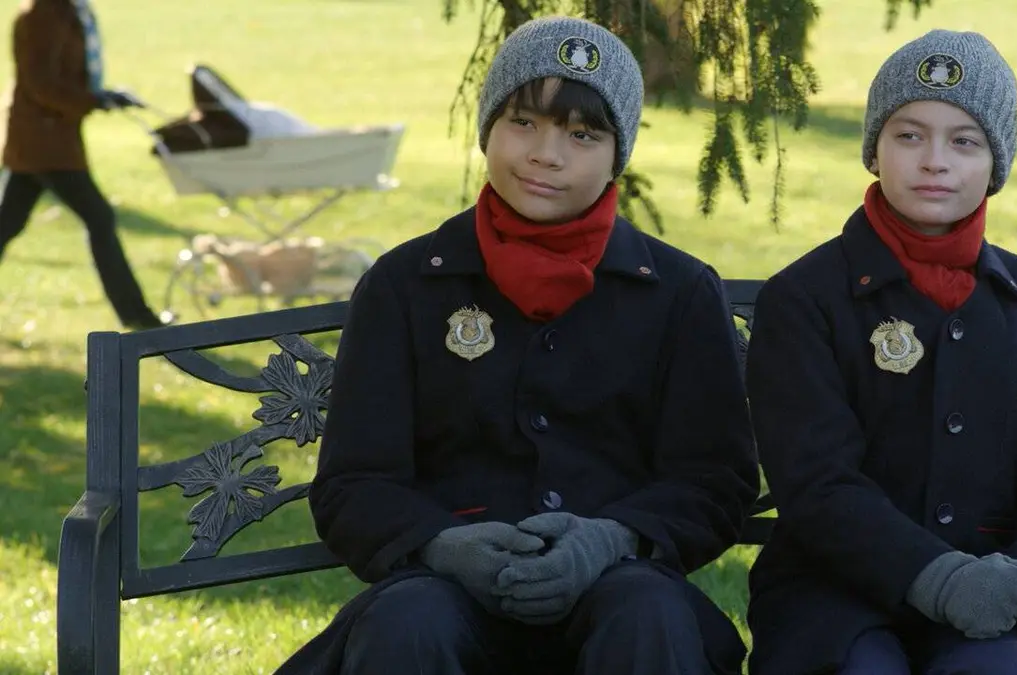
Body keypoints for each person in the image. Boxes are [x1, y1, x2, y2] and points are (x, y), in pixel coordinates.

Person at [274, 15, 759, 675]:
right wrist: (441, 546)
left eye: (582, 134)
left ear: (618, 154)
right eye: (523, 122)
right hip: (443, 590)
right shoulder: (404, 285)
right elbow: (353, 483)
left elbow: (714, 480)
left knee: (648, 613)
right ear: (487, 130)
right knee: (405, 623)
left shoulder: (677, 291)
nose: (545, 154)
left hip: (618, 584)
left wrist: (612, 539)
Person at [743, 29, 1017, 675]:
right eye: (909, 135)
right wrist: (938, 578)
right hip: (832, 594)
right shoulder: (804, 297)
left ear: (997, 163)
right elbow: (817, 481)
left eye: (964, 141)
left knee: (995, 666)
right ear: (875, 149)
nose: (934, 161)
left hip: (998, 589)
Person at [1, 0, 165, 330]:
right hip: (43, 142)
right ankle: (136, 315)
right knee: (99, 217)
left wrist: (102, 95)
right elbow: (40, 83)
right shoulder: (41, 14)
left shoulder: (68, 9)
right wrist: (92, 100)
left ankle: (136, 315)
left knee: (7, 224)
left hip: (50, 139)